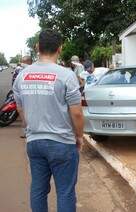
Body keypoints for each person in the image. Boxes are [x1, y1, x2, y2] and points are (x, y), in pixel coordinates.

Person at [13, 29, 84, 212]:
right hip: (62, 143)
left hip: (34, 142)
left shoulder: (22, 75)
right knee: (65, 192)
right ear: (60, 48)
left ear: (37, 47)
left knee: (38, 189)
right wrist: (79, 137)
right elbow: (76, 113)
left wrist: (30, 128)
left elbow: (20, 108)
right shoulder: (67, 75)